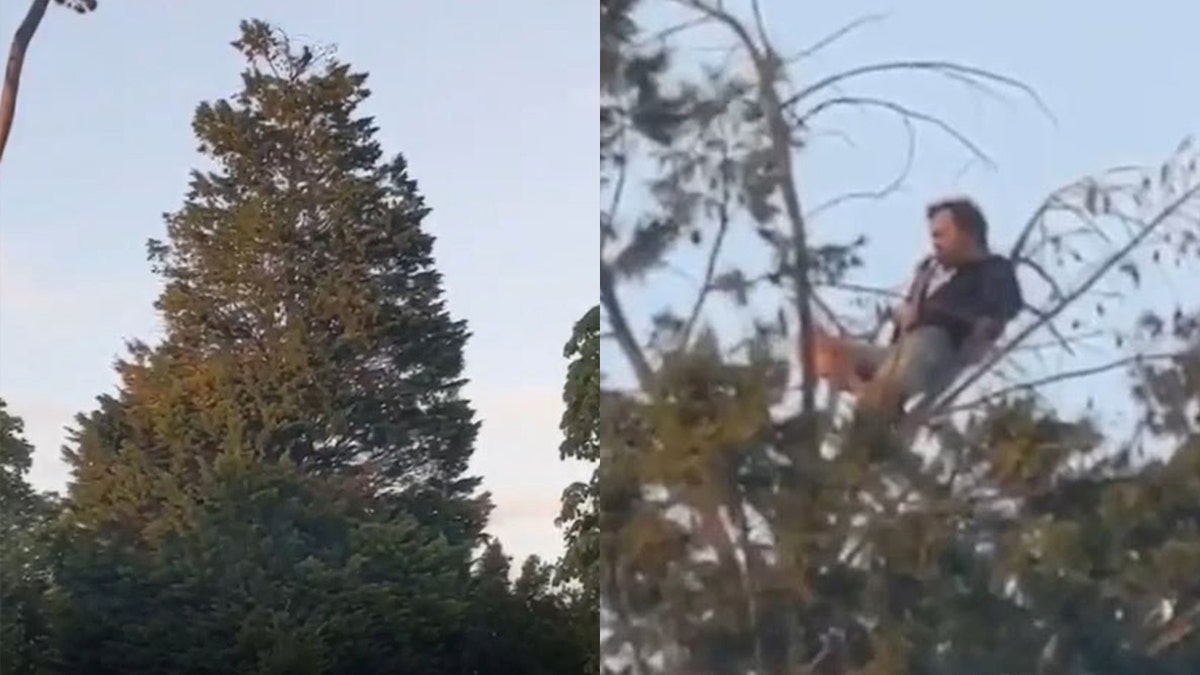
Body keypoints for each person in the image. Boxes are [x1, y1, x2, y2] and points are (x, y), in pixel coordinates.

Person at [815, 197, 1024, 418]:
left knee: (917, 349)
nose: (935, 243)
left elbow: (1002, 310)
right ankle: (869, 393)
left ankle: (879, 403)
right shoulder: (933, 272)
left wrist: (977, 333)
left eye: (940, 235)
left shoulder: (994, 269)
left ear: (967, 233)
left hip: (936, 349)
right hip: (900, 351)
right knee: (824, 349)